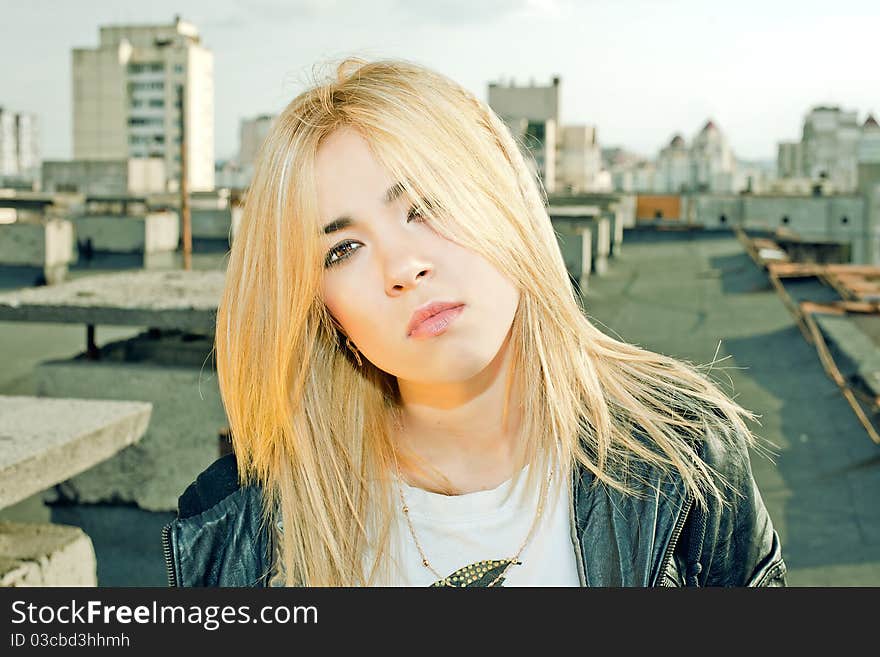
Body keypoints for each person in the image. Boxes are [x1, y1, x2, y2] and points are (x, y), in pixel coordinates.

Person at [161, 58, 786, 587]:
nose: (403, 266)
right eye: (342, 249)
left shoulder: (682, 457)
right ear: (323, 312)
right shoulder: (235, 532)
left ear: (504, 200)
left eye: (425, 205)